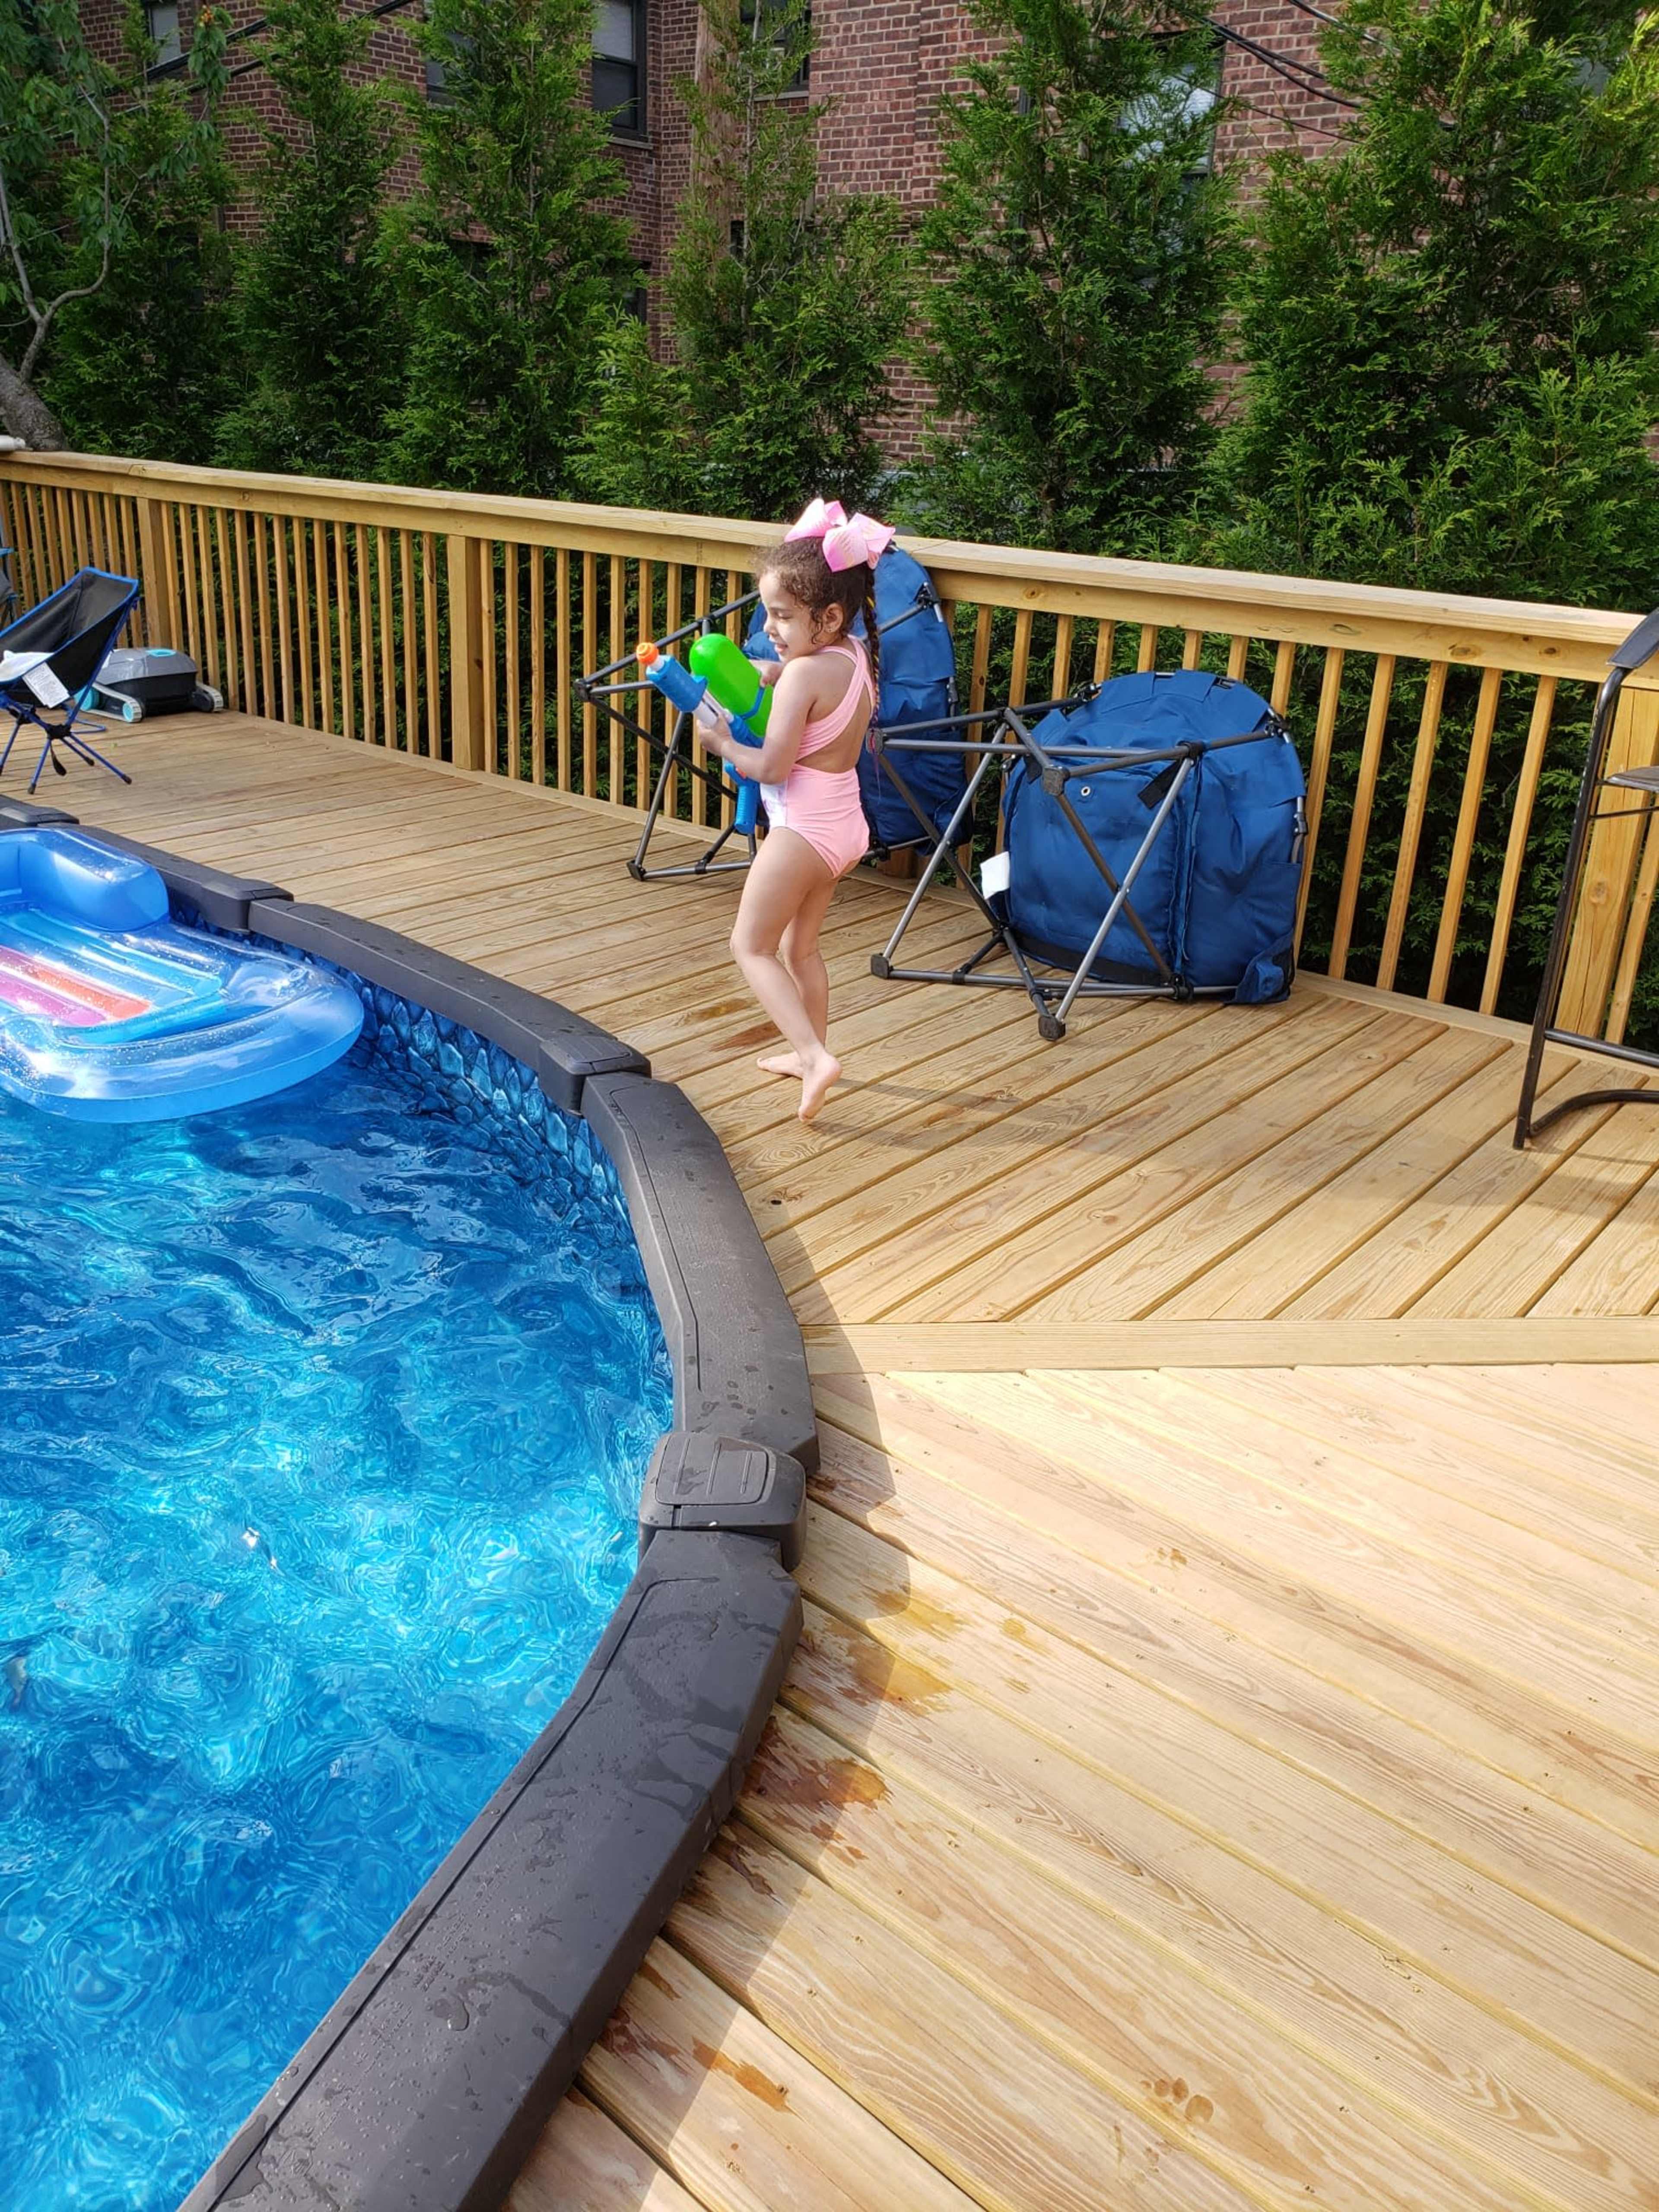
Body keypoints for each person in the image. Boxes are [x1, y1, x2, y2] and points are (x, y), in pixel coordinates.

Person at [698, 498, 891, 1123]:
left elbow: (773, 767)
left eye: (782, 615)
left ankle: (814, 1055)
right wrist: (772, 670)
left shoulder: (804, 677)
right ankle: (808, 1052)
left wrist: (723, 745)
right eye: (768, 613)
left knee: (750, 946)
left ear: (827, 616)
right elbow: (811, 687)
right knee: (800, 949)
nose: (771, 626)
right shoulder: (852, 655)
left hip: (803, 832)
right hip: (843, 827)